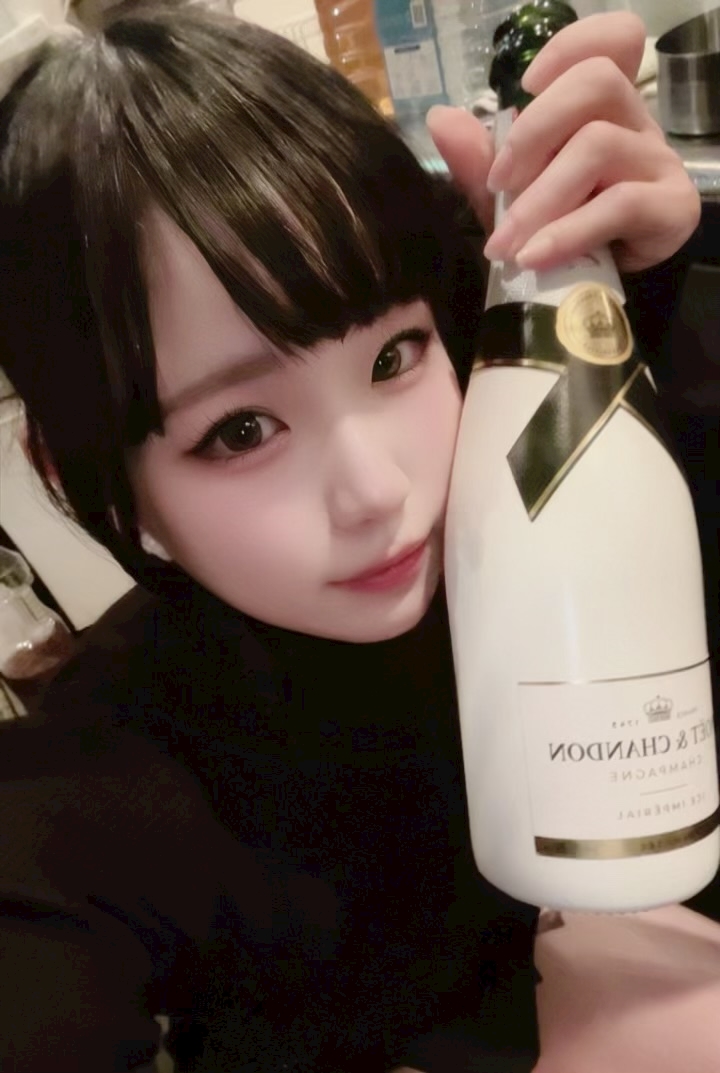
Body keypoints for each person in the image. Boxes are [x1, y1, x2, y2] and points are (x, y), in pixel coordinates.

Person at [0, 2, 709, 1071]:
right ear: (82, 474)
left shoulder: (535, 488)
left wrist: (634, 289)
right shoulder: (97, 794)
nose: (380, 491)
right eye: (240, 430)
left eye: (392, 358)